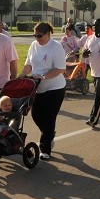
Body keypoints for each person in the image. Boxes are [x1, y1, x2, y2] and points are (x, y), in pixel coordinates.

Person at [19, 22, 67, 160]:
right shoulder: (34, 45)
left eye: (39, 36)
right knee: (36, 115)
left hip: (55, 88)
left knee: (49, 117)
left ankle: (45, 148)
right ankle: (49, 134)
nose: (37, 38)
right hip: (38, 87)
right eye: (35, 35)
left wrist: (44, 76)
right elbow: (29, 64)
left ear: (47, 34)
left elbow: (60, 69)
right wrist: (22, 75)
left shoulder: (56, 47)